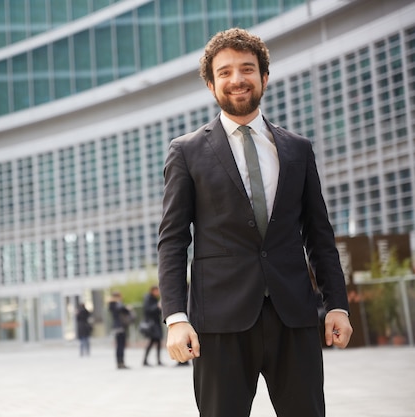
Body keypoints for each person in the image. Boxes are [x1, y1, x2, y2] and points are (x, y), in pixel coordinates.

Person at [157, 28, 353, 417]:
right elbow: (173, 241)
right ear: (212, 85)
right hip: (220, 323)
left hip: (293, 316)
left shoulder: (298, 149)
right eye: (225, 72)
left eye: (247, 69)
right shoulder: (187, 152)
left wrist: (337, 306)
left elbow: (319, 234)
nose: (237, 79)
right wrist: (176, 318)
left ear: (264, 77)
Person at [108, 291, 133, 369]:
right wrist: (127, 308)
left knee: (119, 345)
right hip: (120, 327)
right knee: (120, 345)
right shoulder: (116, 304)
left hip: (117, 326)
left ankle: (120, 362)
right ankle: (120, 362)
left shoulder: (112, 304)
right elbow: (124, 310)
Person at [141, 286, 163, 366]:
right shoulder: (148, 299)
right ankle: (145, 360)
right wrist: (157, 306)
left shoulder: (154, 299)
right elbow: (148, 310)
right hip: (152, 324)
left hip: (156, 323)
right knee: (152, 342)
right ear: (153, 291)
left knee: (157, 342)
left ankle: (158, 360)